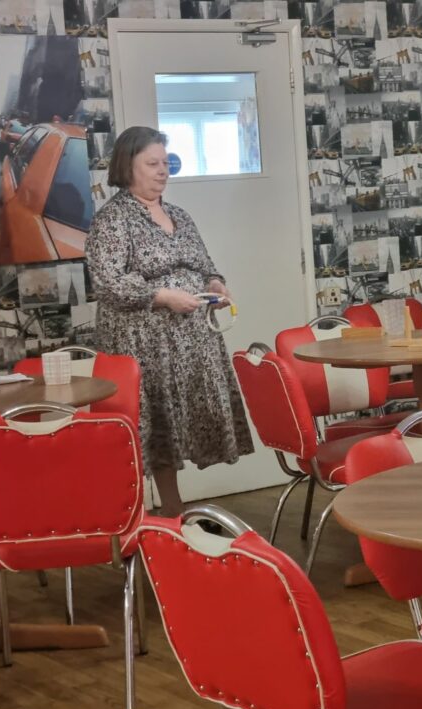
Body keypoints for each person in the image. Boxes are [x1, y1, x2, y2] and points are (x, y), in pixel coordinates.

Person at [85, 126, 254, 516]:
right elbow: (108, 283)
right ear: (127, 166)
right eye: (152, 163)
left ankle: (173, 509)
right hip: (142, 343)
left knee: (180, 422)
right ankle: (158, 512)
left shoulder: (179, 215)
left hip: (190, 341)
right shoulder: (113, 219)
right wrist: (162, 296)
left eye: (166, 163)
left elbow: (205, 265)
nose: (163, 171)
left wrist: (215, 284)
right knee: (156, 420)